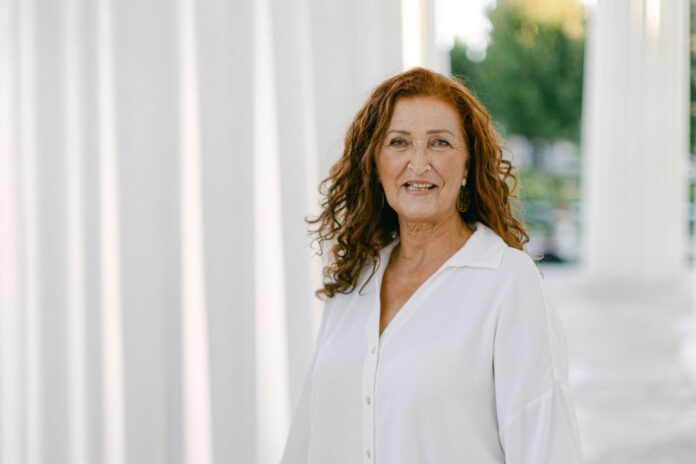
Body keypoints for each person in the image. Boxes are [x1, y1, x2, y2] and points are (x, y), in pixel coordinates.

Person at [280, 67, 584, 463]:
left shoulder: (507, 282)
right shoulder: (356, 276)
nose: (419, 163)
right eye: (399, 142)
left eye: (440, 142)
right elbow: (310, 431)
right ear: (375, 163)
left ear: (468, 164)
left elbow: (545, 444)